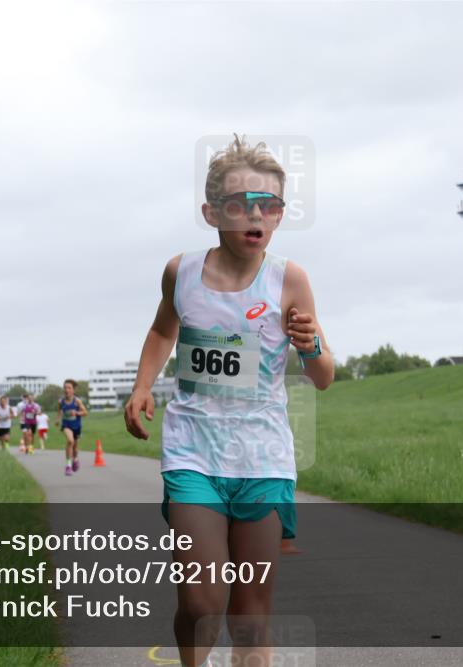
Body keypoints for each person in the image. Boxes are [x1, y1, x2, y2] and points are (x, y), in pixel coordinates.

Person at [124, 135, 334, 667]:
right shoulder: (182, 272)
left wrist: (309, 344)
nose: (254, 216)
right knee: (200, 601)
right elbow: (160, 332)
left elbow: (324, 375)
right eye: (239, 204)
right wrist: (143, 385)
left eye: (270, 205)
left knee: (250, 612)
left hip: (263, 458)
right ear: (211, 211)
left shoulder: (291, 281)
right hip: (194, 449)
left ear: (281, 215)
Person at [59, 379, 88, 476]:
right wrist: (57, 419)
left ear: (73, 390)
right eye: (65, 388)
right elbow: (60, 411)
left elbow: (85, 412)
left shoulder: (77, 401)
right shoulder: (61, 401)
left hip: (76, 426)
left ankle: (75, 459)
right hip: (66, 425)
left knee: (75, 448)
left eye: (69, 388)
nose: (66, 390)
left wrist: (76, 412)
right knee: (70, 441)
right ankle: (68, 466)